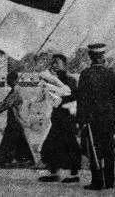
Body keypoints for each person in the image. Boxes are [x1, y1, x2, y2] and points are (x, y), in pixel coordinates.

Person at [76, 43, 115, 190]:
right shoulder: (111, 73)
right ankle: (110, 181)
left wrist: (81, 121)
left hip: (92, 119)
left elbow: (81, 100)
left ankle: (97, 182)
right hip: (109, 118)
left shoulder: (86, 74)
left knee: (94, 150)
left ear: (91, 57)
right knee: (108, 150)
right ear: (103, 57)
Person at [39, 54, 81, 183]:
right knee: (52, 144)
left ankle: (73, 174)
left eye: (57, 62)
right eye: (53, 62)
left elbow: (73, 96)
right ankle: (54, 172)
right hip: (58, 117)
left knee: (69, 144)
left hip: (67, 117)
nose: (54, 65)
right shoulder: (54, 79)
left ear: (64, 65)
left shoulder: (70, 79)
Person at [0, 71, 34, 166]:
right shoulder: (17, 90)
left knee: (8, 139)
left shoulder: (15, 91)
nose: (7, 81)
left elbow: (7, 103)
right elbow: (5, 101)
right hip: (18, 119)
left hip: (15, 119)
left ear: (13, 80)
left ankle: (3, 159)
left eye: (8, 79)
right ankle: (26, 159)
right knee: (19, 140)